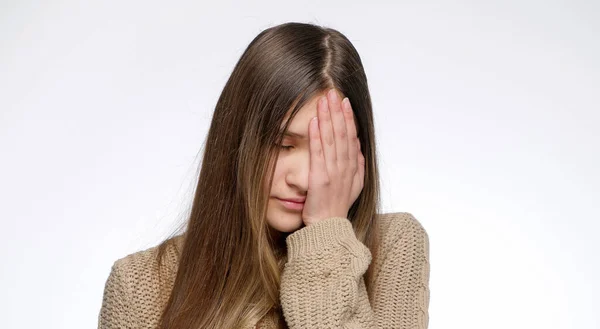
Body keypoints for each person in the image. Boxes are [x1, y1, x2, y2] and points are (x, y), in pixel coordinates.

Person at [97, 21, 430, 329]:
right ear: (237, 140)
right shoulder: (140, 285)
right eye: (282, 145)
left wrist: (327, 234)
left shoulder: (392, 246)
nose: (303, 179)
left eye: (326, 151)